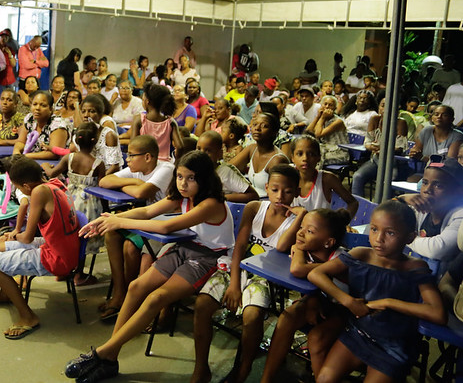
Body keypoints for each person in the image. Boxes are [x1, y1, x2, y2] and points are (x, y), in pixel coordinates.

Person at [66, 151, 233, 383]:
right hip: (186, 247)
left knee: (156, 298)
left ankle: (103, 352)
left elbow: (166, 227)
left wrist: (119, 221)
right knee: (136, 286)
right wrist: (107, 219)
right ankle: (111, 357)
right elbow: (146, 211)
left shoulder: (211, 203)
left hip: (209, 258)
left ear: (204, 179)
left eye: (191, 178)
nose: (183, 183)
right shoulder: (183, 196)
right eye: (180, 176)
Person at [307, 201, 446, 383]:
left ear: (410, 237)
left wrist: (388, 302)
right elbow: (316, 273)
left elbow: (437, 313)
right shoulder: (360, 255)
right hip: (358, 333)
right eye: (374, 229)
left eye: (390, 233)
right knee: (324, 379)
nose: (379, 239)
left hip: (394, 345)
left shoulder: (414, 267)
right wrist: (348, 301)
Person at [192, 165, 306, 383]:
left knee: (252, 316)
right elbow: (240, 246)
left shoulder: (295, 221)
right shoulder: (254, 208)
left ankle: (242, 369)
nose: (280, 196)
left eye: (288, 192)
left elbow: (281, 247)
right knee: (202, 305)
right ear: (266, 188)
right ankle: (201, 368)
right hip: (237, 266)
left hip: (266, 277)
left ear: (297, 193)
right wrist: (234, 284)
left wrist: (301, 217)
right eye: (274, 189)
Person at [0, 156, 80, 339]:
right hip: (63, 247)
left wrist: (15, 234)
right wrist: (15, 235)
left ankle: (28, 317)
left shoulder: (38, 192)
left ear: (26, 186)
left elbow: (28, 236)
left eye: (19, 188)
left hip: (58, 257)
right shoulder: (55, 183)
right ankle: (5, 293)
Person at [260, 209, 351, 383]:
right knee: (286, 318)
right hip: (321, 301)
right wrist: (298, 247)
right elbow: (286, 249)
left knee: (316, 338)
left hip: (346, 310)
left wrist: (297, 249)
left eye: (309, 231)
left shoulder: (340, 260)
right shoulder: (310, 249)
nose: (300, 233)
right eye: (301, 227)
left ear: (328, 242)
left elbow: (297, 269)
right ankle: (266, 379)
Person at [96, 136, 175, 319]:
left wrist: (136, 186)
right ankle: (119, 293)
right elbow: (104, 181)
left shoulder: (166, 169)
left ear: (148, 157)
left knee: (130, 247)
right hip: (143, 219)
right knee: (111, 234)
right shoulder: (136, 170)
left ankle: (131, 300)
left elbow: (142, 193)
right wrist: (133, 182)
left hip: (161, 222)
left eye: (132, 155)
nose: (127, 160)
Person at [42, 122, 106, 286]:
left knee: (69, 236)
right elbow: (103, 188)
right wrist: (106, 211)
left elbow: (51, 174)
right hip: (89, 204)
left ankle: (63, 271)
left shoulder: (68, 157)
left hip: (69, 200)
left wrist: (45, 166)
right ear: (95, 141)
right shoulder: (98, 164)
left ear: (76, 140)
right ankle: (79, 274)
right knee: (83, 240)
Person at [396, 155, 463, 268]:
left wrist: (402, 239)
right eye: (425, 183)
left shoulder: (460, 214)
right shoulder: (421, 209)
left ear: (458, 192)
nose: (427, 190)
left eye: (438, 185)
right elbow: (386, 222)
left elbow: (437, 250)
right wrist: (401, 199)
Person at [350, 95, 409, 196]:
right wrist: (370, 146)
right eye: (382, 105)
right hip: (376, 159)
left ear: (396, 108)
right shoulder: (374, 119)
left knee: (387, 182)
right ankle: (359, 207)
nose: (385, 109)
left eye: (389, 106)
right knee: (357, 176)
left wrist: (384, 149)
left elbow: (399, 148)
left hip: (393, 162)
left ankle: (384, 207)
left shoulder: (400, 123)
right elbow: (367, 141)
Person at [291, 135, 358, 216]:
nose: (305, 158)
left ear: (319, 157)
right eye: (299, 154)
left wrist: (344, 222)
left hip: (320, 228)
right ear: (292, 158)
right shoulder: (287, 177)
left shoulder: (327, 179)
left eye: (311, 154)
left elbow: (353, 203)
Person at [196, 131, 258, 203]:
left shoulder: (226, 171)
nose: (201, 153)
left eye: (208, 151)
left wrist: (220, 197)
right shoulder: (195, 170)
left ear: (220, 154)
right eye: (198, 149)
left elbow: (253, 195)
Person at [131, 83, 184, 162]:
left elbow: (132, 145)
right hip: (165, 163)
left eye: (143, 99)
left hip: (144, 163)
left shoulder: (140, 120)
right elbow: (180, 146)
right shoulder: (170, 121)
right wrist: (176, 163)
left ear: (147, 102)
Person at [13, 91, 71, 160]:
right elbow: (21, 141)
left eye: (43, 105)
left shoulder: (58, 125)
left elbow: (53, 154)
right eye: (34, 104)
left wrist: (25, 156)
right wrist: (16, 152)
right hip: (29, 160)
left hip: (53, 165)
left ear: (51, 109)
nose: (37, 108)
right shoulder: (29, 118)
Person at [80, 94, 123, 174]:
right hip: (91, 173)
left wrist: (99, 180)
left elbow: (114, 167)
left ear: (100, 114)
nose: (86, 115)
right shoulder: (81, 131)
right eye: (83, 111)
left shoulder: (108, 134)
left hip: (108, 175)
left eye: (91, 111)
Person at [306, 95, 349, 167]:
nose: (327, 107)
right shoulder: (322, 119)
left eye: (330, 105)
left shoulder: (338, 121)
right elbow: (308, 131)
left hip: (339, 153)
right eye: (325, 104)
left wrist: (322, 118)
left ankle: (315, 177)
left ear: (335, 108)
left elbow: (318, 134)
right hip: (325, 150)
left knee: (313, 159)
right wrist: (318, 117)